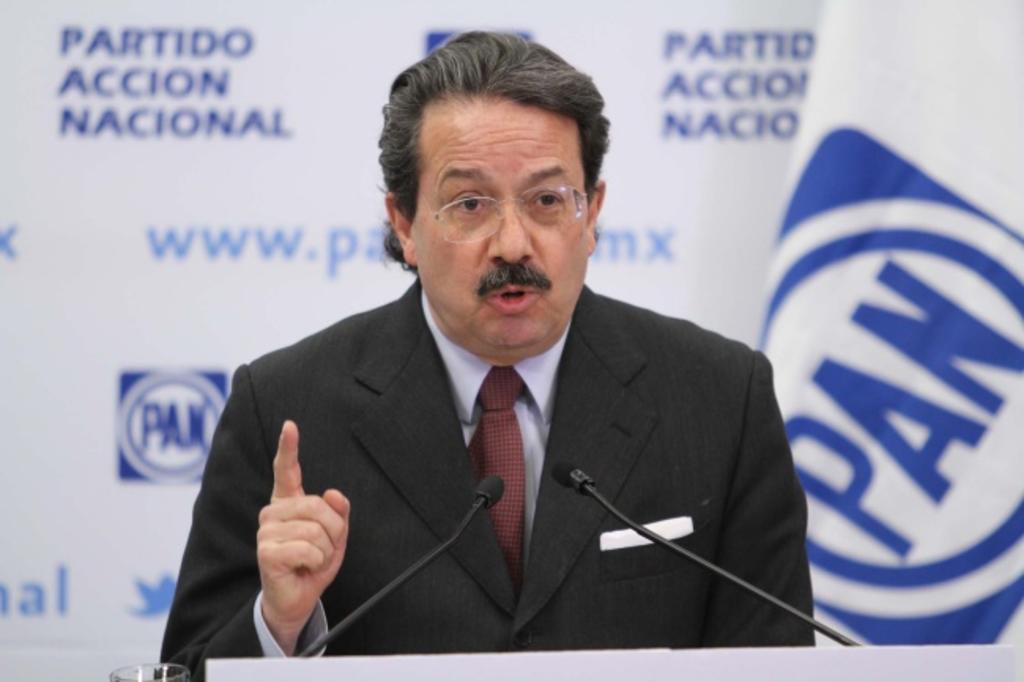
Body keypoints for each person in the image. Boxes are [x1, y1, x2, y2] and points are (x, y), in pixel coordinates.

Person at [161, 31, 813, 680]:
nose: (513, 243)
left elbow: (777, 663)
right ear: (403, 224)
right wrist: (277, 625)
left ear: (592, 215)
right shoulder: (284, 409)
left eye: (548, 201)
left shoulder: (721, 399)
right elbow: (185, 671)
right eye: (470, 204)